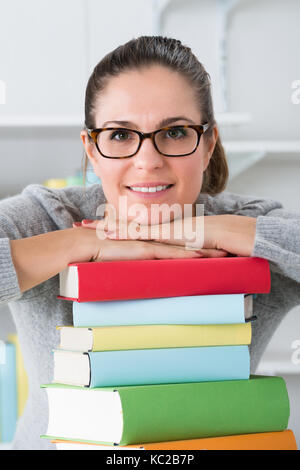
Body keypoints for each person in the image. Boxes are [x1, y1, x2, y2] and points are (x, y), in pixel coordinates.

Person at [0, 36, 299, 450]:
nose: (148, 161)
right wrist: (82, 244)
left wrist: (214, 230)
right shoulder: (46, 216)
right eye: (121, 135)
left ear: (209, 143)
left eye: (175, 132)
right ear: (92, 148)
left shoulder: (257, 232)